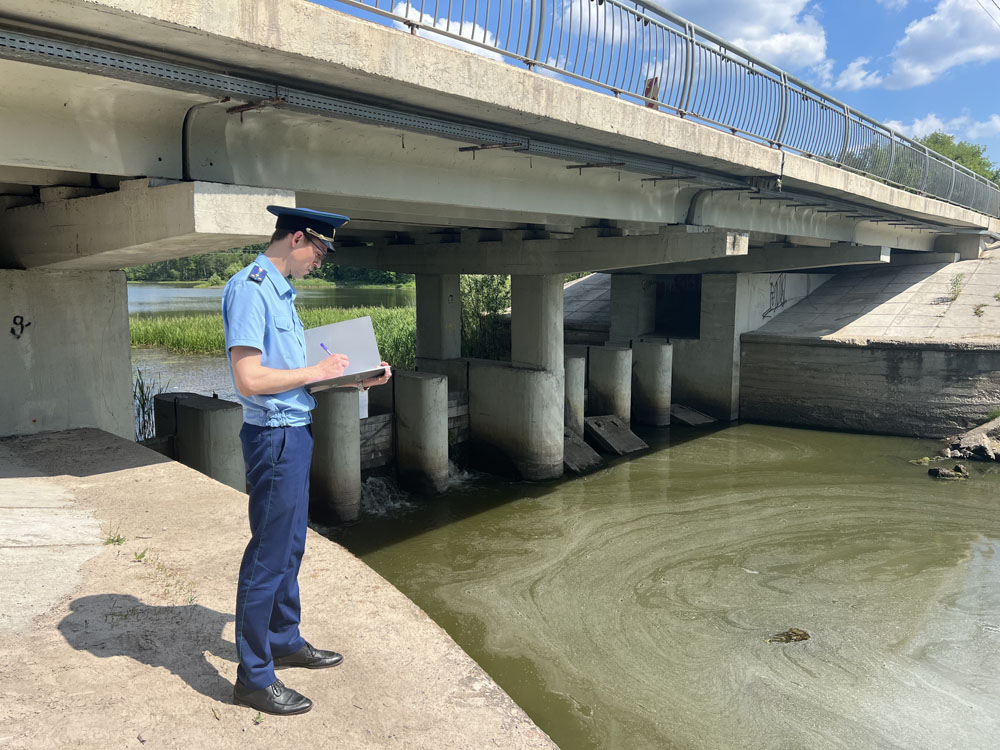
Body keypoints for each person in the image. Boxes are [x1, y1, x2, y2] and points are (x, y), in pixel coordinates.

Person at [222, 205, 391, 716]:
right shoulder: (250, 289)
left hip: (294, 431)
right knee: (268, 555)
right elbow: (249, 379)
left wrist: (352, 378)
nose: (320, 262)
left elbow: (296, 376)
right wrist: (317, 367)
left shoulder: (281, 293)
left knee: (291, 546)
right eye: (319, 251)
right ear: (297, 238)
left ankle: (283, 639)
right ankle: (253, 678)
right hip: (273, 437)